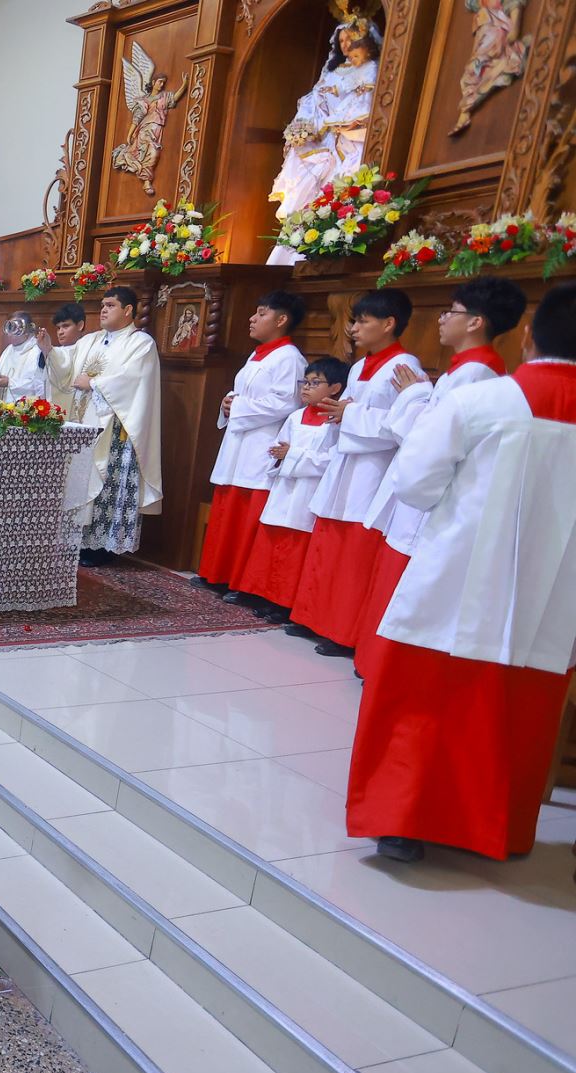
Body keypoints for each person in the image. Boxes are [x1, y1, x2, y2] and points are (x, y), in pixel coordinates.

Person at [345, 282, 576, 863]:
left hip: (460, 574)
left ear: (528, 336)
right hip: (553, 593)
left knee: (425, 697)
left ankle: (403, 822)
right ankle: (501, 830)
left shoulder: (485, 400)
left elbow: (415, 484)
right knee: (524, 705)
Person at [350, 277, 524, 666]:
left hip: (429, 499)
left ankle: (384, 665)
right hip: (420, 492)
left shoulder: (476, 374)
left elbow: (432, 437)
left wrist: (414, 396)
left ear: (476, 322)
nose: (442, 319)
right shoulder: (462, 370)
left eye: (451, 312)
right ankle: (374, 661)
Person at [288, 288, 422, 655]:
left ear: (389, 323)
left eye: (363, 321)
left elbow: (404, 425)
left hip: (372, 469)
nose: (354, 329)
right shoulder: (362, 365)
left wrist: (351, 413)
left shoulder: (405, 367)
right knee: (329, 543)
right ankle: (313, 617)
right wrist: (342, 411)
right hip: (345, 461)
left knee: (354, 554)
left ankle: (343, 632)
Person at [40, 285, 163, 565]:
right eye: (103, 305)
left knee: (105, 484)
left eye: (110, 305)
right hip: (84, 423)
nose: (104, 310)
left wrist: (94, 383)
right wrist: (49, 350)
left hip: (114, 430)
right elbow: (67, 363)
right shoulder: (92, 340)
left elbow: (132, 380)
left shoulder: (140, 343)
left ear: (128, 310)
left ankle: (100, 547)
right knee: (80, 483)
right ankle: (78, 541)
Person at [195, 291, 308, 595]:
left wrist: (240, 407)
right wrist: (228, 403)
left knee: (247, 511)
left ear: (281, 320)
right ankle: (216, 573)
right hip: (239, 442)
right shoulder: (257, 354)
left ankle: (239, 582)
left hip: (261, 443)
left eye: (261, 313)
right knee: (227, 507)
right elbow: (245, 393)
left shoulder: (290, 358)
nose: (252, 318)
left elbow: (287, 403)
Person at [235, 358, 348, 612]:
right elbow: (278, 447)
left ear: (335, 388)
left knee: (295, 547)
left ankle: (284, 604)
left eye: (315, 382)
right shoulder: (295, 417)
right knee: (272, 542)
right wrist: (278, 455)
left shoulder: (334, 423)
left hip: (308, 492)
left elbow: (332, 460)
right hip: (284, 488)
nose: (306, 387)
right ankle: (262, 594)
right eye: (305, 382)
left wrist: (293, 455)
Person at [267, 16, 382, 265]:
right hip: (324, 139)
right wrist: (304, 126)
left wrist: (345, 121)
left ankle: (331, 243)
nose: (345, 45)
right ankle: (295, 251)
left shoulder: (371, 69)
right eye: (341, 41)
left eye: (350, 40)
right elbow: (313, 101)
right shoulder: (333, 71)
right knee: (308, 193)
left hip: (351, 140)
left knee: (340, 188)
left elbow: (367, 103)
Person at [0, 312, 48, 403]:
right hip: (3, 407)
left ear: (27, 330)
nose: (9, 334)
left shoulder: (37, 351)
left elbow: (39, 384)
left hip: (25, 408)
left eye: (14, 328)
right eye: (9, 328)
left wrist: (9, 382)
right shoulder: (8, 350)